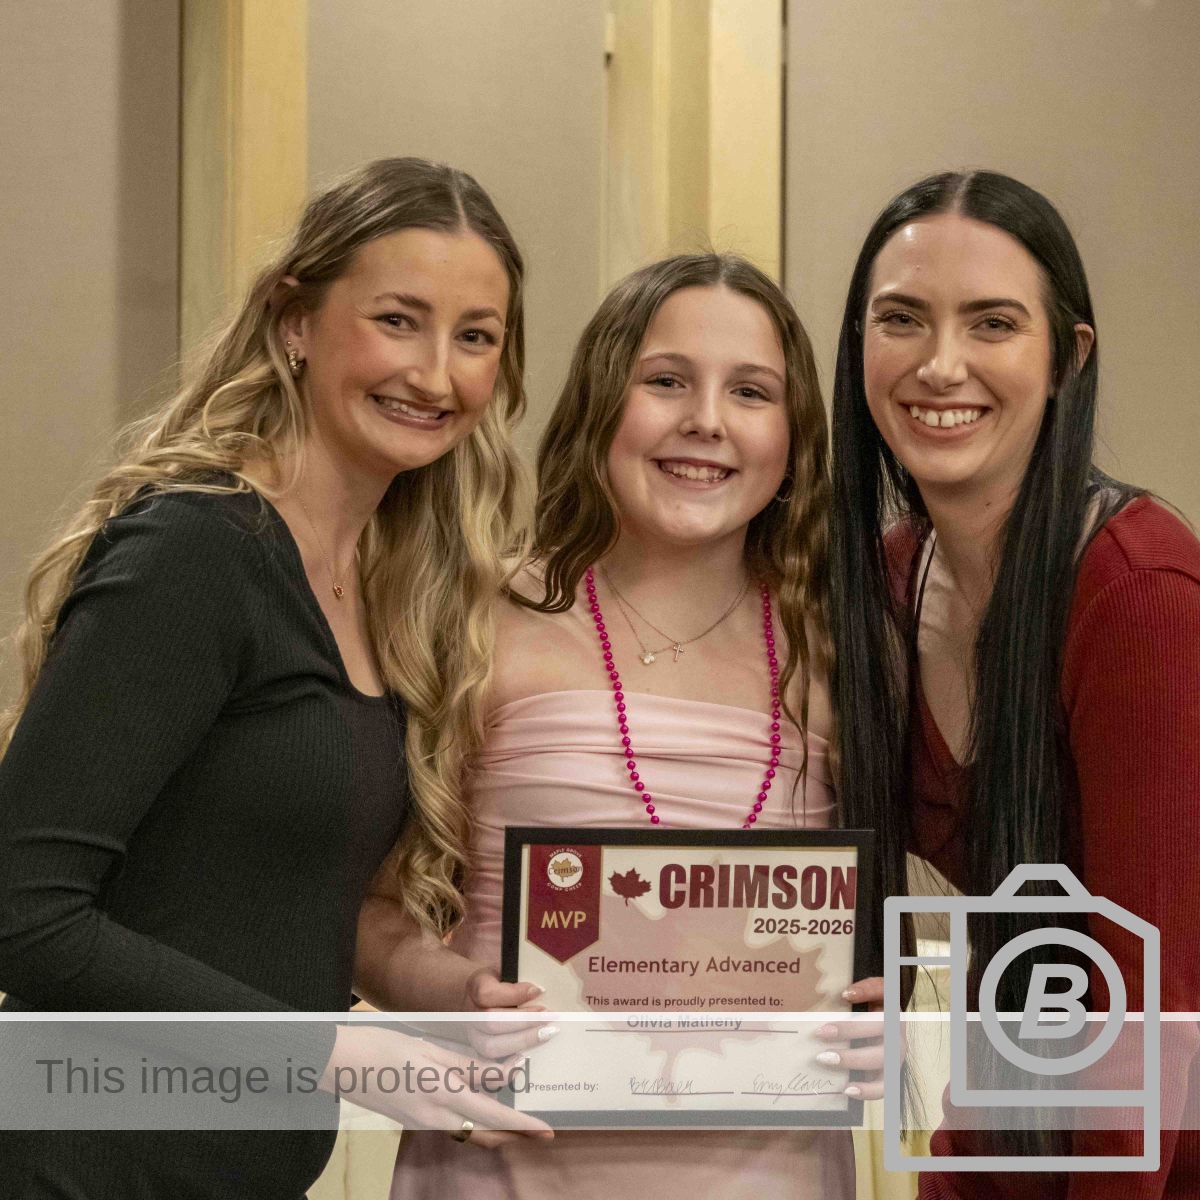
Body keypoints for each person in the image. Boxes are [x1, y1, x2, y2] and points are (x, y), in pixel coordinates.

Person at [0, 157, 549, 1199]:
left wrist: (448, 990)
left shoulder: (390, 588)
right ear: (296, 320)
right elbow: (21, 914)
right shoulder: (197, 551)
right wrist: (332, 1051)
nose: (436, 376)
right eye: (399, 321)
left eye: (475, 337)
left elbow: (275, 906)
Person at [358, 252, 882, 1200]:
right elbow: (364, 910)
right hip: (501, 1169)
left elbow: (895, 934)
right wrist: (457, 997)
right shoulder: (473, 620)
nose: (706, 420)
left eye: (751, 391)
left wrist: (885, 1011)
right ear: (601, 401)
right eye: (666, 381)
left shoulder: (846, 657)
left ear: (796, 437)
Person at [829, 170, 1200, 1196]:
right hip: (1020, 1130)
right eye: (902, 319)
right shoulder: (887, 584)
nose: (941, 364)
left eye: (992, 323)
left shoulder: (1138, 592)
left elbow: (1147, 1017)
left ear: (1067, 359)